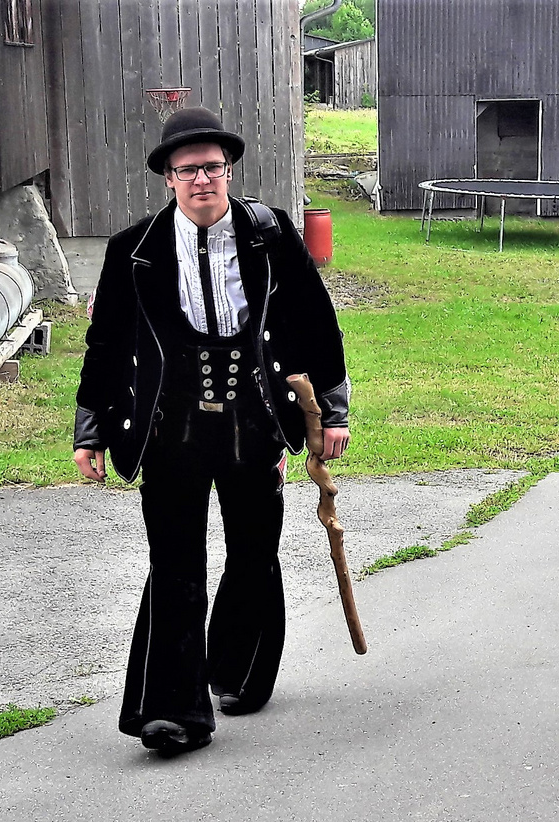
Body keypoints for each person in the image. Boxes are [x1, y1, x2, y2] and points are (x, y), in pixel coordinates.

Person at [72, 106, 350, 755]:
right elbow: (105, 344)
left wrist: (330, 415)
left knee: (254, 553)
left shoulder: (267, 233)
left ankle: (237, 671)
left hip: (254, 425)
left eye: (213, 167)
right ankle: (172, 710)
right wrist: (90, 429)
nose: (203, 179)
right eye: (188, 169)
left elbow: (316, 321)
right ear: (167, 178)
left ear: (228, 171)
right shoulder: (132, 251)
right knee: (175, 563)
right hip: (170, 431)